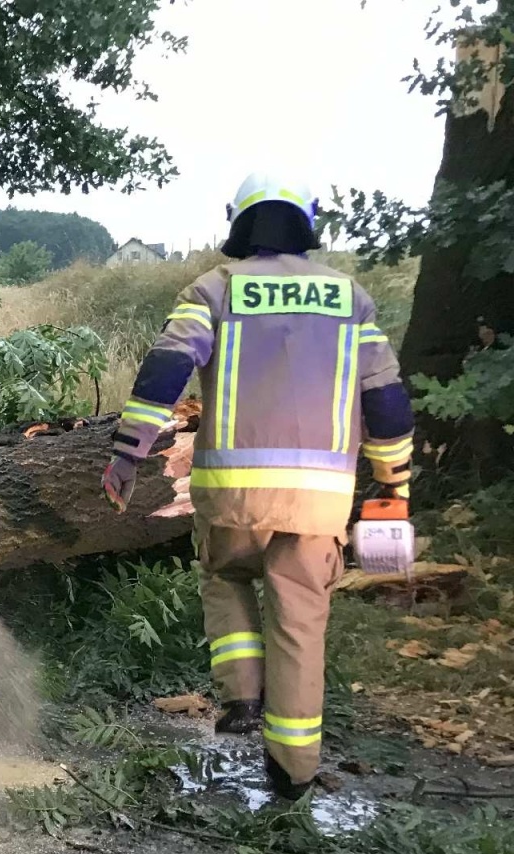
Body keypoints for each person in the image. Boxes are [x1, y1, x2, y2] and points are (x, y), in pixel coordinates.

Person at [101, 173, 415, 806]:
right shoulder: (349, 297)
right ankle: (293, 775)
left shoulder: (215, 288)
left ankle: (241, 694)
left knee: (225, 578)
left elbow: (166, 367)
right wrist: (393, 481)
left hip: (232, 493)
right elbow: (385, 399)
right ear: (306, 222)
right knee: (301, 626)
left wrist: (129, 450)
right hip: (319, 500)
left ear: (240, 220)